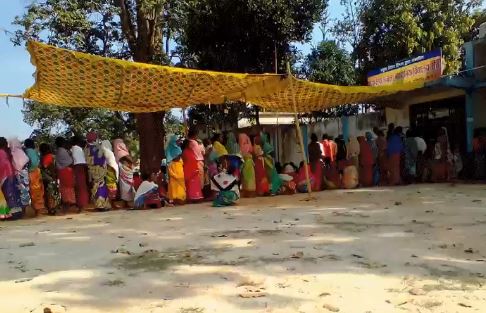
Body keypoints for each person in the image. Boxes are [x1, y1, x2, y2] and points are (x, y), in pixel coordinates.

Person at [85, 132, 111, 211]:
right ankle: (103, 205)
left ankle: (99, 205)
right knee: (102, 185)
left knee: (96, 186)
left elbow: (88, 160)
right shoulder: (98, 147)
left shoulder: (86, 147)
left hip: (92, 170)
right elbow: (102, 158)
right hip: (100, 169)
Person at [0, 137, 23, 220]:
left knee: (10, 195)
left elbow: (4, 165)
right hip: (11, 175)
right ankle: (17, 213)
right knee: (14, 194)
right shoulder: (8, 152)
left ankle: (14, 214)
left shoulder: (1, 152)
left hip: (6, 176)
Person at [24, 138, 45, 215]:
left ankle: (37, 209)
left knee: (34, 190)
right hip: (37, 171)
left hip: (32, 172)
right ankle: (39, 208)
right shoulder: (35, 151)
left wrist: (30, 169)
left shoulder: (26, 152)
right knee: (39, 189)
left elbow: (31, 162)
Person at [55, 137, 76, 212]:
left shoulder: (59, 151)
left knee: (65, 188)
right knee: (67, 188)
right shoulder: (62, 151)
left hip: (62, 171)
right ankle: (68, 205)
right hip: (66, 171)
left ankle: (68, 204)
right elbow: (70, 162)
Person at [9, 138, 31, 209]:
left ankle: (24, 209)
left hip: (19, 174)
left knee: (21, 191)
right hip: (25, 173)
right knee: (26, 190)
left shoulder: (13, 153)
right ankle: (27, 208)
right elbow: (27, 160)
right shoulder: (22, 152)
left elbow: (13, 164)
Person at [40, 143, 60, 215]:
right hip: (54, 177)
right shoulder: (53, 156)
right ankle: (54, 208)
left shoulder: (47, 157)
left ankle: (51, 209)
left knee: (49, 194)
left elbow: (45, 166)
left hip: (48, 178)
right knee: (54, 193)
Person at [113, 139, 135, 206]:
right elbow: (131, 161)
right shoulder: (124, 153)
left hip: (123, 173)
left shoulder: (117, 153)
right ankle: (128, 202)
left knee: (123, 187)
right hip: (127, 172)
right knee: (128, 186)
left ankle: (125, 201)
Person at [182, 137, 204, 203]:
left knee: (196, 184)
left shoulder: (192, 151)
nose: (192, 145)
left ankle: (197, 197)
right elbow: (185, 161)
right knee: (190, 184)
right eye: (191, 144)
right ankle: (190, 198)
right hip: (189, 170)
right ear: (187, 144)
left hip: (195, 169)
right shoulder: (185, 151)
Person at [71, 136, 89, 210]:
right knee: (82, 186)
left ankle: (80, 205)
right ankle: (83, 203)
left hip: (76, 168)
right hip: (83, 167)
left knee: (78, 187)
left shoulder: (72, 149)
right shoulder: (80, 149)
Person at [166, 135, 186, 204]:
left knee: (181, 186)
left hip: (180, 171)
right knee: (173, 185)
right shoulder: (169, 149)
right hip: (173, 170)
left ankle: (181, 198)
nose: (178, 142)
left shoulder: (179, 148)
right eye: (177, 141)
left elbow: (180, 158)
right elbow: (169, 160)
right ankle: (174, 199)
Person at [101, 140, 119, 207]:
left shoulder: (104, 152)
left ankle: (110, 204)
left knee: (109, 190)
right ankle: (112, 204)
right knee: (112, 190)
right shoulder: (110, 152)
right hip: (112, 173)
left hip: (108, 173)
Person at [239, 133, 256, 198]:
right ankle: (251, 193)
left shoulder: (241, 147)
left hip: (245, 164)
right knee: (250, 178)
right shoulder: (248, 145)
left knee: (245, 178)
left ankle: (246, 192)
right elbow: (252, 151)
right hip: (249, 163)